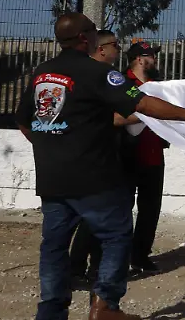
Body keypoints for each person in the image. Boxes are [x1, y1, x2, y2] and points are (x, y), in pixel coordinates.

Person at [15, 13, 185, 320]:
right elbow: (141, 103)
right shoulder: (98, 72)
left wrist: (51, 146)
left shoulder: (42, 73)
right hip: (95, 177)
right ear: (84, 38)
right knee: (117, 236)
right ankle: (105, 305)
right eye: (93, 32)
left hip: (52, 179)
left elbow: (25, 122)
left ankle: (50, 311)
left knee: (53, 246)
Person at [69, 30, 125, 285]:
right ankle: (84, 273)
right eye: (115, 45)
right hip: (93, 162)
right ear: (101, 49)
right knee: (97, 221)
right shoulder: (99, 76)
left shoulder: (97, 76)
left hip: (95, 158)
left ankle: (87, 270)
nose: (119, 49)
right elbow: (129, 109)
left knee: (90, 221)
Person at [121, 41, 167, 273]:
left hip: (154, 155)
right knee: (122, 208)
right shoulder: (123, 83)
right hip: (127, 157)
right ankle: (118, 255)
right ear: (139, 59)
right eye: (151, 56)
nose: (155, 60)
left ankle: (140, 255)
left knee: (150, 209)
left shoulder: (157, 86)